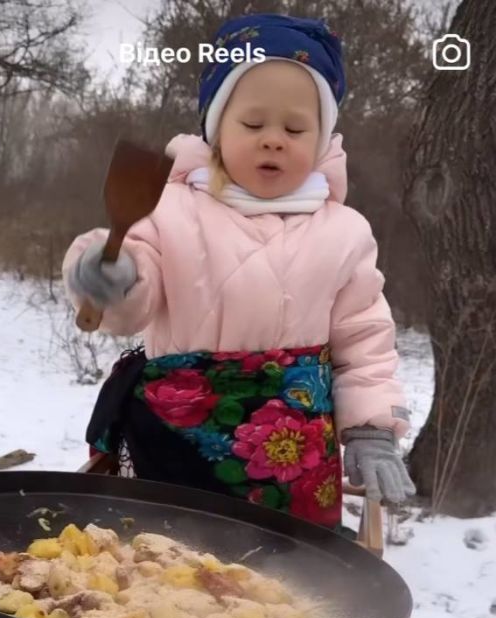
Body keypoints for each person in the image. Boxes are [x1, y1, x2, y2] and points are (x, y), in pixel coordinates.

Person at [62, 13, 414, 529]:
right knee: (159, 568)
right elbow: (134, 296)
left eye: (295, 128)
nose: (274, 139)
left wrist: (372, 428)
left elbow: (364, 338)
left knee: (282, 586)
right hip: (175, 440)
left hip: (291, 458)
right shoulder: (166, 210)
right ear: (216, 128)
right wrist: (111, 277)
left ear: (322, 140)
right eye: (252, 124)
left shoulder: (346, 232)